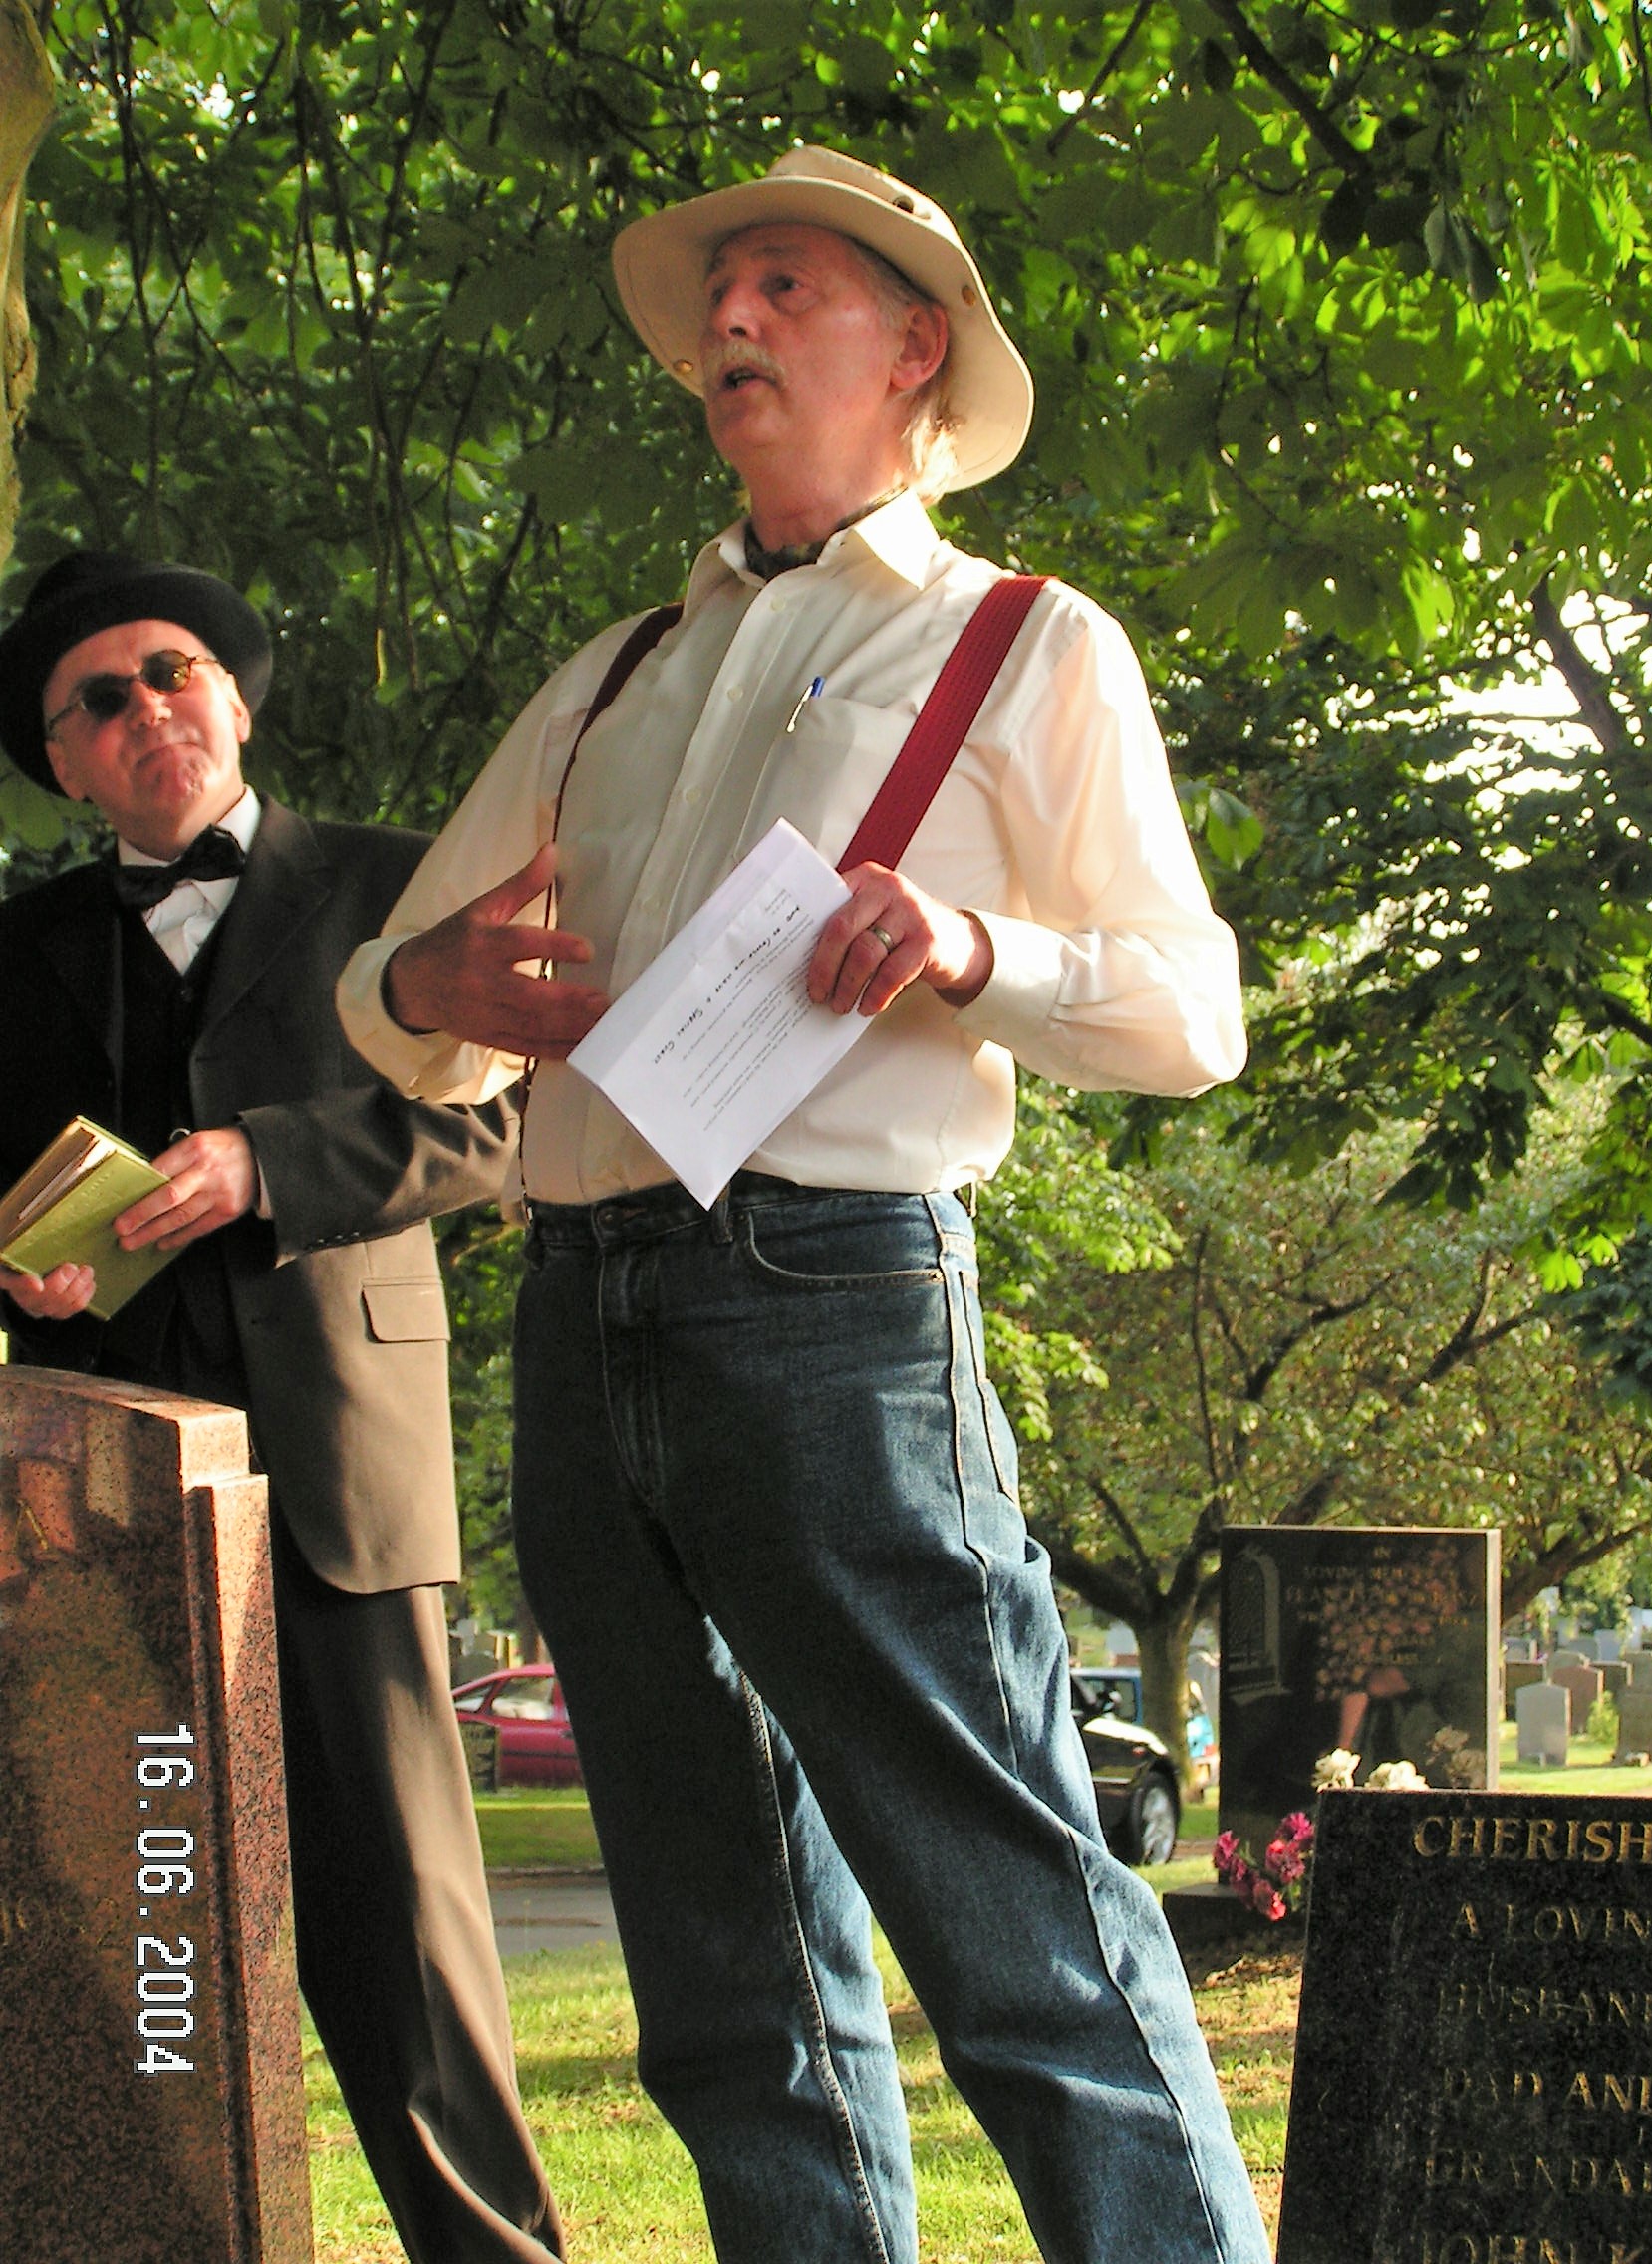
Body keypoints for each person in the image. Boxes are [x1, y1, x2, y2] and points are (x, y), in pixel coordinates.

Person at [338, 146, 1269, 2264]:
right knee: (723, 1980)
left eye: (782, 288)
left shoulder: (1024, 642)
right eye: (717, 300)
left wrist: (972, 950)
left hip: (836, 1309)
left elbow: (1193, 1009)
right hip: (580, 1308)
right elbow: (400, 1002)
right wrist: (429, 985)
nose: (729, 327)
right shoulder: (609, 674)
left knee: (1017, 1923)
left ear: (913, 349)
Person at [0, 551, 564, 2264]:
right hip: (82, 1492)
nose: (143, 709)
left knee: (399, 1937)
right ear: (67, 761)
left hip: (340, 1464)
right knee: (114, 1917)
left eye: (169, 671)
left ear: (235, 694)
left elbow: (507, 1126)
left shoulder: (408, 894)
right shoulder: (11, 953)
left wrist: (271, 1162)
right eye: (96, 701)